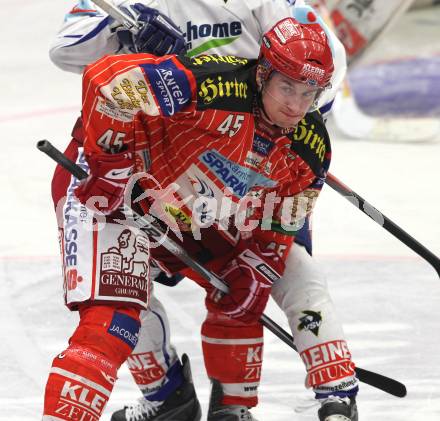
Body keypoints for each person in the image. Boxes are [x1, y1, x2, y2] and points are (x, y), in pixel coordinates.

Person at [47, 3, 354, 421]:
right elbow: (89, 68)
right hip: (123, 170)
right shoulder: (207, 84)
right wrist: (126, 38)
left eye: (307, 95)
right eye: (288, 89)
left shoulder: (307, 139)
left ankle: (250, 405)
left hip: (223, 178)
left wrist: (260, 261)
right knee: (113, 314)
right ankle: (164, 393)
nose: (297, 108)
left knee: (258, 280)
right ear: (263, 73)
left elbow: (284, 218)